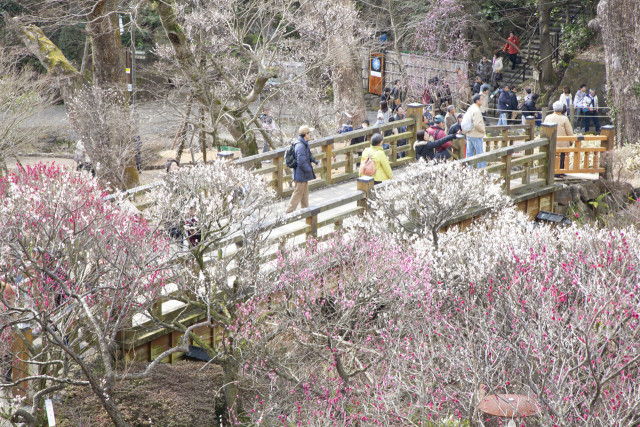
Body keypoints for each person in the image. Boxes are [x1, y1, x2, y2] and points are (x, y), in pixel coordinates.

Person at [285, 125, 319, 214]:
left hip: (302, 174)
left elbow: (308, 155)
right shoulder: (300, 146)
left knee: (304, 192)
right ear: (305, 134)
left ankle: (305, 209)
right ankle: (288, 212)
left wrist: (314, 161)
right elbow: (301, 162)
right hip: (301, 174)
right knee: (298, 193)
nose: (310, 135)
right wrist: (309, 170)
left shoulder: (304, 143)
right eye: (309, 133)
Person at [544, 100, 574, 176]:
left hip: (550, 141)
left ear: (553, 108)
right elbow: (569, 131)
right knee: (561, 157)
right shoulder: (564, 119)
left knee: (551, 157)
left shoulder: (548, 117)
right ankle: (560, 171)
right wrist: (571, 140)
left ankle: (551, 171)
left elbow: (543, 129)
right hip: (562, 143)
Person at [464, 94, 486, 168]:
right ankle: (482, 171)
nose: (482, 101)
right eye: (481, 100)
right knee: (480, 154)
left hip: (469, 133)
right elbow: (477, 124)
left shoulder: (471, 108)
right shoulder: (476, 110)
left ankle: (468, 170)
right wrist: (483, 130)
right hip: (476, 134)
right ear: (477, 101)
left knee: (469, 154)